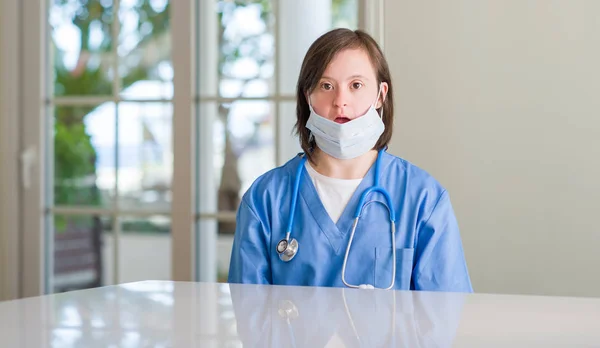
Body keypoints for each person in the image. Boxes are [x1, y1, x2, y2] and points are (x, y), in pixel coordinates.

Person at [227, 28, 473, 292]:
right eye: (326, 86)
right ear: (307, 96)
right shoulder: (265, 199)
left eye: (356, 85)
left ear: (380, 94)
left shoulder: (423, 198)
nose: (340, 101)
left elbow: (445, 320)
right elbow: (250, 317)